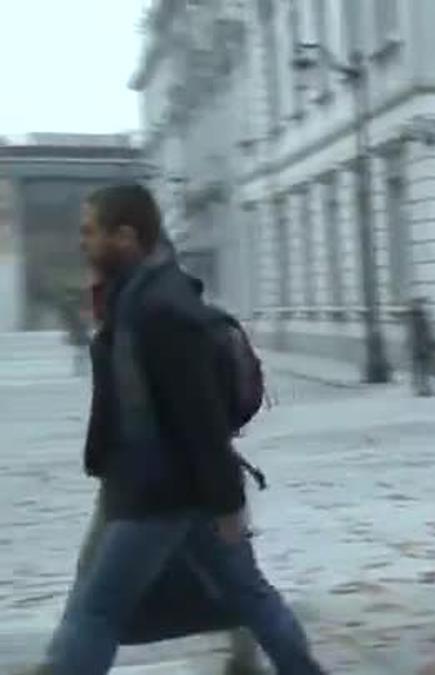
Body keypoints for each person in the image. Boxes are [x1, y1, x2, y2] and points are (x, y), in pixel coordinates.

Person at [37, 184, 325, 674]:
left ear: (125, 236)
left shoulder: (163, 309)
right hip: (162, 487)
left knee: (97, 610)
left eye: (91, 232)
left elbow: (201, 420)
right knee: (248, 594)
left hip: (159, 494)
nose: (82, 242)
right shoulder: (134, 296)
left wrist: (229, 503)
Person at [71, 268, 266, 674]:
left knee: (94, 584)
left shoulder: (129, 334)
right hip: (191, 476)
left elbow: (111, 413)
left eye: (95, 292)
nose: (90, 303)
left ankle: (66, 663)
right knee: (234, 573)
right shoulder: (162, 323)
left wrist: (99, 459)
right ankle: (250, 656)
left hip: (148, 479)